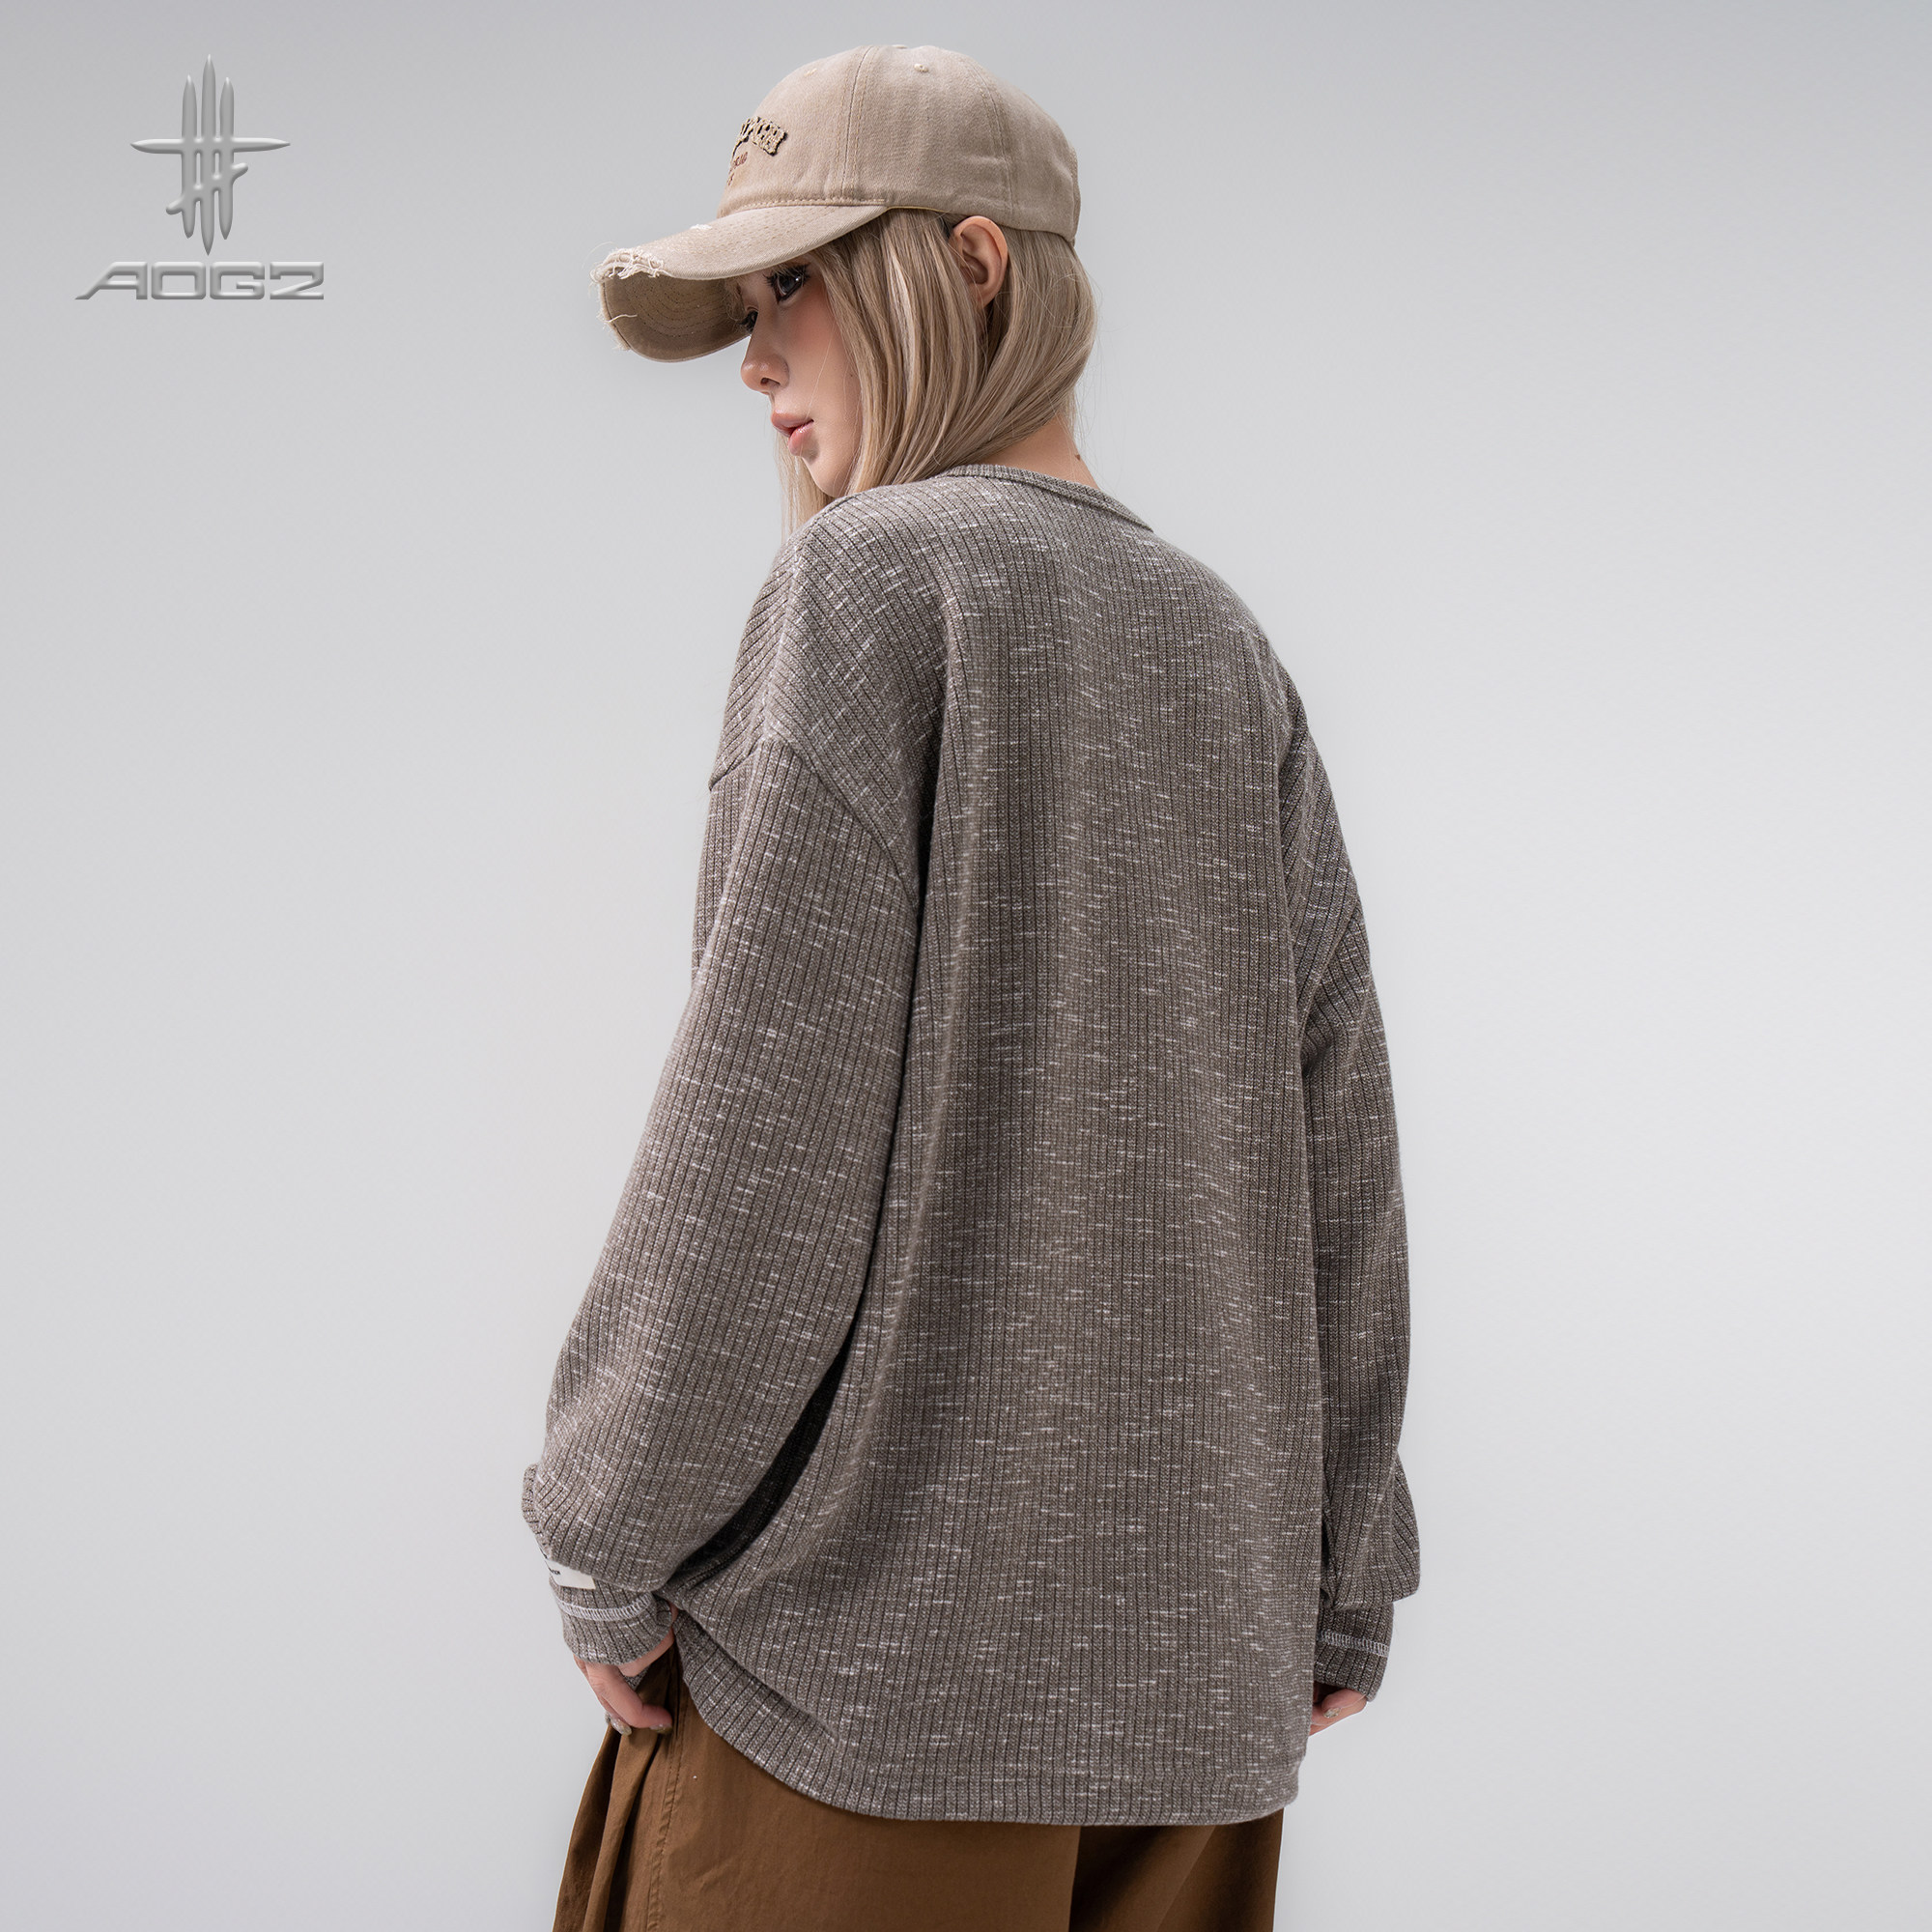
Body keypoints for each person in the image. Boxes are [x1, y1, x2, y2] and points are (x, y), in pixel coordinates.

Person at [523, 43, 1419, 1932]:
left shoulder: (874, 588)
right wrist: (1346, 1566)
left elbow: (765, 1137)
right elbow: (1335, 1133)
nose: (755, 359)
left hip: (872, 1709)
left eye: (792, 283)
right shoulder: (1218, 640)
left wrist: (608, 1523)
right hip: (1194, 1711)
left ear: (974, 265)